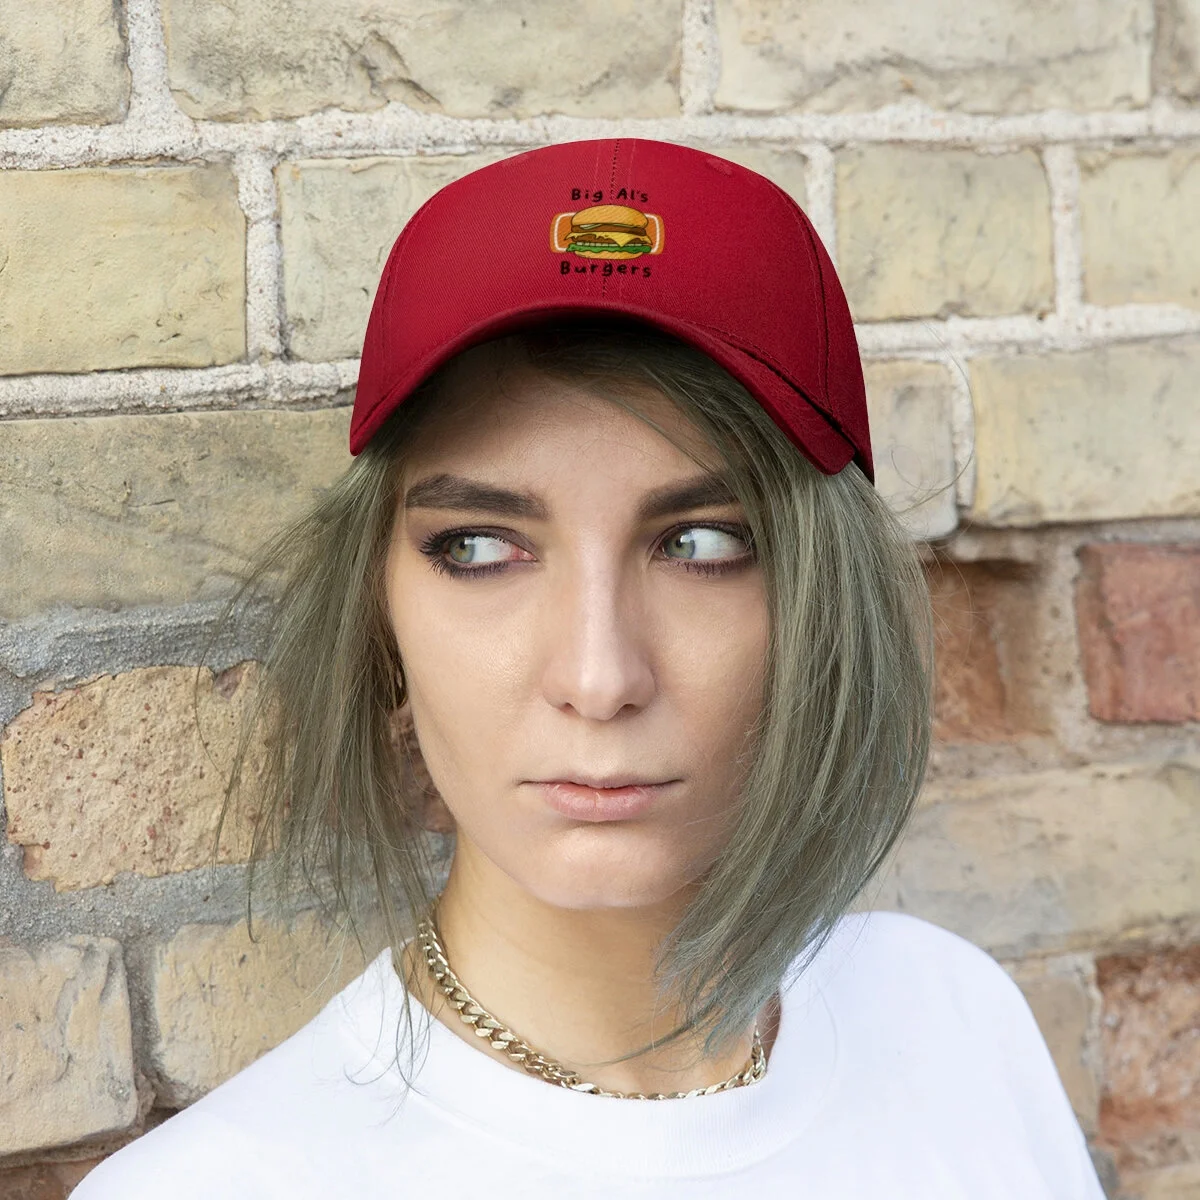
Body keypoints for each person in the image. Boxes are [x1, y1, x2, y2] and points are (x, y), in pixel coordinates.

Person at [74, 138, 1106, 1197]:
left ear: (825, 605)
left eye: (701, 544)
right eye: (479, 547)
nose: (599, 678)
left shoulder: (953, 1023)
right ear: (380, 618)